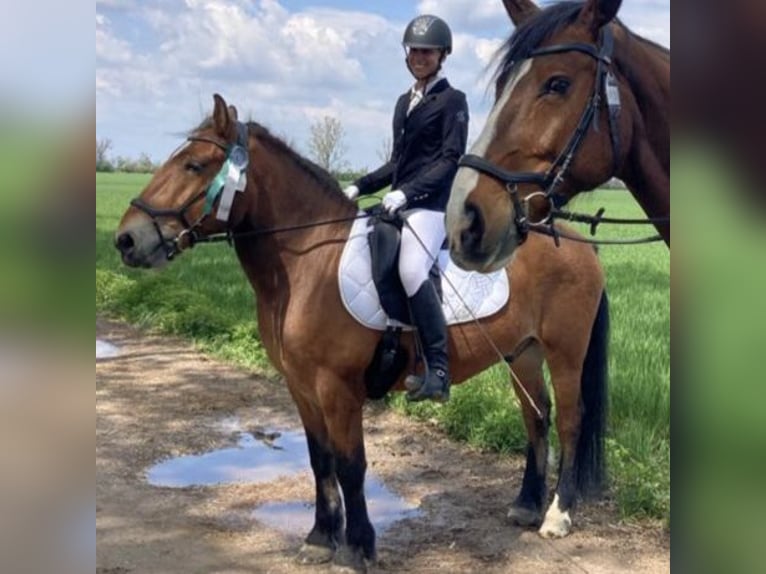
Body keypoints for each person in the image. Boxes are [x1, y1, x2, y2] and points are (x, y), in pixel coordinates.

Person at [344, 14, 469, 402]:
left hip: (431, 207)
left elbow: (450, 160)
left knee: (412, 268)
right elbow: (397, 162)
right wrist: (360, 185)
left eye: (426, 51)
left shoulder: (453, 101)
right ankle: (387, 349)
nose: (419, 56)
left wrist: (408, 193)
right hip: (400, 203)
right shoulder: (404, 102)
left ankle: (439, 370)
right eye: (414, 50)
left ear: (442, 55)